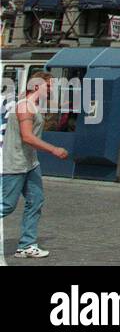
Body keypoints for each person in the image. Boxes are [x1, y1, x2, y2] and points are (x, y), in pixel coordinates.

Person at [1, 71, 69, 258]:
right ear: (37, 86)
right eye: (49, 86)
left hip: (30, 164)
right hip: (15, 164)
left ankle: (26, 245)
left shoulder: (33, 105)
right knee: (6, 205)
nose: (51, 90)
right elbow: (28, 137)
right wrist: (53, 149)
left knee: (35, 200)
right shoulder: (25, 107)